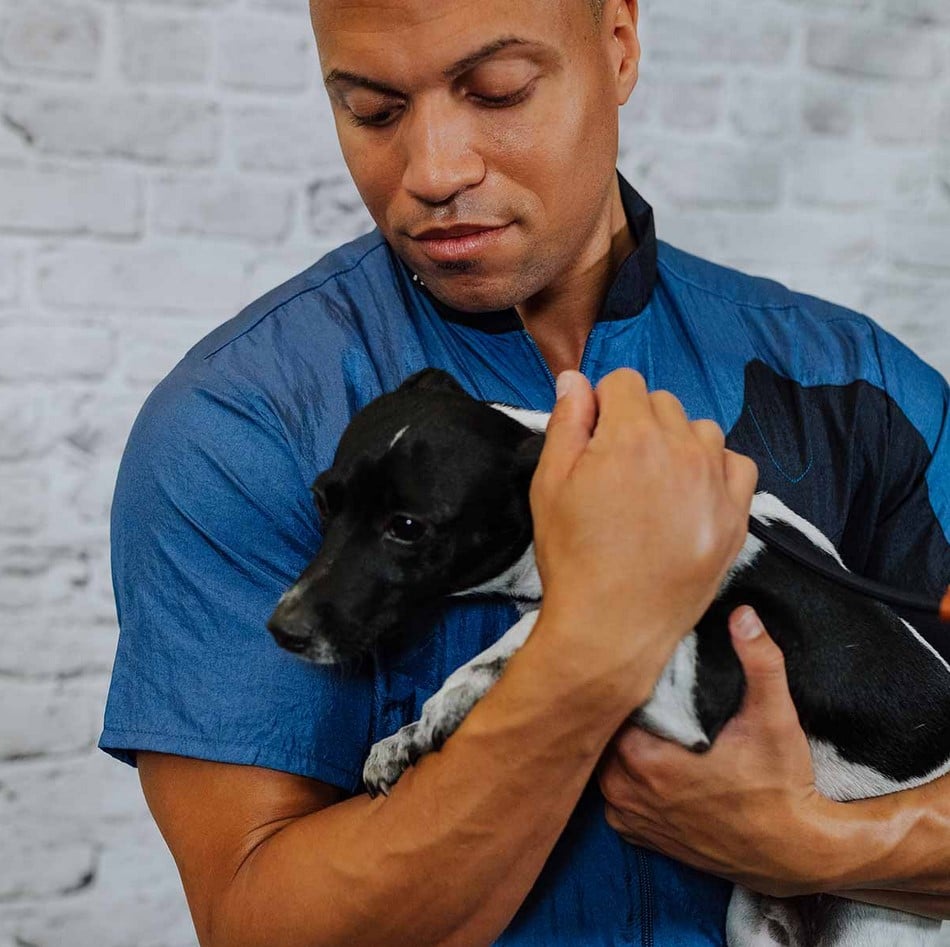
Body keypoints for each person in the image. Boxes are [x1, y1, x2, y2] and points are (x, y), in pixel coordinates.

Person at [99, 0, 950, 943]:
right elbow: (257, 923)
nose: (433, 171)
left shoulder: (858, 387)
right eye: (373, 111)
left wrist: (813, 845)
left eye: (497, 91)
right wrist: (593, 641)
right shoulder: (239, 423)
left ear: (619, 46)